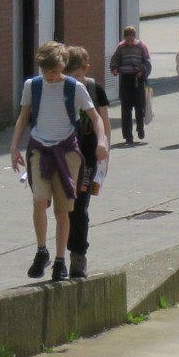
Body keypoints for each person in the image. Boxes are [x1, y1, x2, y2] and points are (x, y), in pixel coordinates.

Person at [9, 41, 107, 280]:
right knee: (39, 201)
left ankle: (61, 261)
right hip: (40, 150)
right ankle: (42, 251)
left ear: (63, 65)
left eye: (54, 70)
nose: (50, 76)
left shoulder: (75, 88)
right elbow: (23, 117)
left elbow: (96, 118)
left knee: (64, 212)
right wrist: (14, 147)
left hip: (67, 152)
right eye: (45, 71)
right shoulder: (33, 86)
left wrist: (102, 141)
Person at [61, 46, 113, 280]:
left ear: (86, 70)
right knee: (64, 206)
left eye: (78, 75)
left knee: (80, 206)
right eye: (69, 76)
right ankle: (60, 256)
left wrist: (106, 151)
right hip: (63, 155)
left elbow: (104, 122)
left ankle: (78, 255)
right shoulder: (60, 90)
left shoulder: (94, 89)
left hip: (89, 157)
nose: (75, 81)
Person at [107, 26, 152, 145]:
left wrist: (143, 71)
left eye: (131, 40)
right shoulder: (121, 47)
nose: (130, 42)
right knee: (126, 109)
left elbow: (147, 62)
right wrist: (114, 68)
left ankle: (140, 128)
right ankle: (128, 136)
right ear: (124, 38)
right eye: (127, 40)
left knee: (139, 106)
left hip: (138, 78)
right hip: (126, 78)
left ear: (135, 37)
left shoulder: (141, 47)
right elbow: (114, 60)